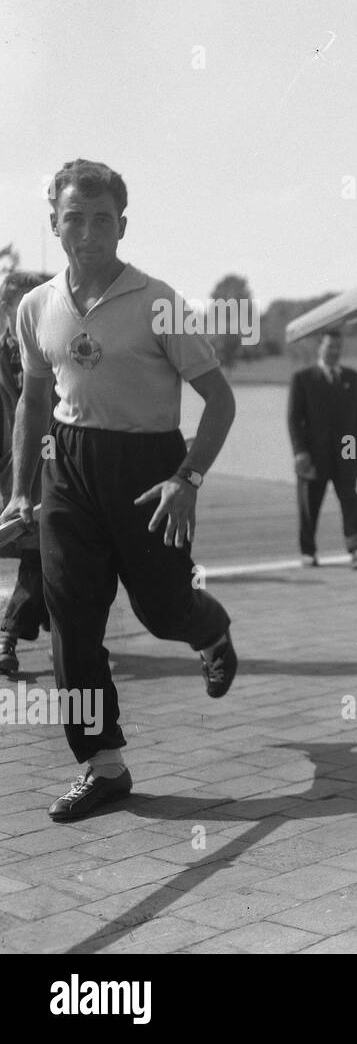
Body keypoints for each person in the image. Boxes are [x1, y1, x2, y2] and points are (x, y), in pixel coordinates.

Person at [0, 158, 239, 822]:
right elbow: (35, 401)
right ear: (53, 223)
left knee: (163, 610)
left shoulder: (158, 301)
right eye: (72, 217)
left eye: (100, 218)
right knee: (71, 620)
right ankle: (103, 764)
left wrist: (187, 477)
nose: (86, 231)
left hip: (151, 474)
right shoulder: (35, 307)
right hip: (69, 473)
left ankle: (210, 629)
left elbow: (219, 401)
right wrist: (21, 493)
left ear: (122, 225)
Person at [0, 269, 54, 677]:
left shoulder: (60, 349)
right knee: (45, 560)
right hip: (12, 478)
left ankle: (11, 637)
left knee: (45, 557)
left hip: (49, 474)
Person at [289, 329, 357, 567]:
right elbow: (293, 419)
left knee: (350, 499)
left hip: (347, 448)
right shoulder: (303, 379)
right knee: (310, 503)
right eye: (330, 346)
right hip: (314, 453)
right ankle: (308, 551)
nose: (334, 351)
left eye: (338, 347)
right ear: (320, 347)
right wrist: (299, 451)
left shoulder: (351, 378)